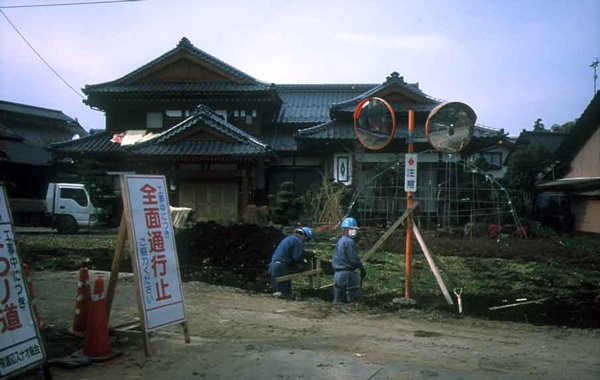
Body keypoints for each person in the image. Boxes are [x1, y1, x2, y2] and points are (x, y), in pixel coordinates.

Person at [268, 226, 313, 297]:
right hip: (281, 268)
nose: (304, 241)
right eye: (306, 239)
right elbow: (297, 257)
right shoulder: (297, 241)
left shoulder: (288, 238)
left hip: (273, 265)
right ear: (303, 235)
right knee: (285, 294)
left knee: (277, 292)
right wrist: (304, 264)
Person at [332, 217, 366, 304]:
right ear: (347, 230)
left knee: (338, 300)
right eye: (352, 229)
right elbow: (354, 259)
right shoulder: (349, 242)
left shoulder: (341, 240)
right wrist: (361, 268)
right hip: (347, 274)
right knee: (354, 298)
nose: (354, 231)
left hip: (337, 274)